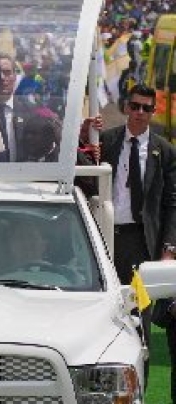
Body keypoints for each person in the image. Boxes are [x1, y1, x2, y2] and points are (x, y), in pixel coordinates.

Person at [95, 84, 176, 394]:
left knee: (139, 318)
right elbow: (85, 173)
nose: (141, 112)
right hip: (106, 241)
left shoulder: (164, 151)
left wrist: (168, 249)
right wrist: (86, 132)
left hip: (143, 244)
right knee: (105, 311)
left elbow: (172, 203)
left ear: (153, 112)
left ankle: (137, 387)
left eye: (147, 108)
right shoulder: (107, 141)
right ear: (126, 107)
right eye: (136, 106)